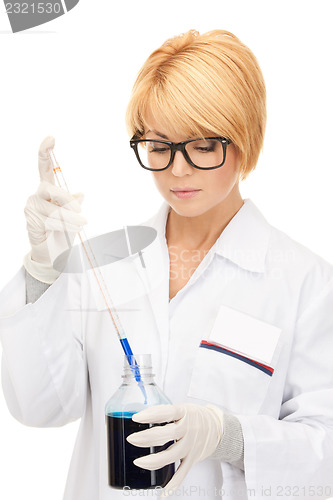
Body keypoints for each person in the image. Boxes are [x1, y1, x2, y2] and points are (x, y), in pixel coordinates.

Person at [1, 28, 333, 500]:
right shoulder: (104, 264)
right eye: (158, 146)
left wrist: (229, 437)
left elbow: (325, 450)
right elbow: (40, 407)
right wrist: (43, 270)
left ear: (246, 138)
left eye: (201, 146)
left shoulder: (306, 283)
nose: (177, 171)